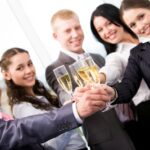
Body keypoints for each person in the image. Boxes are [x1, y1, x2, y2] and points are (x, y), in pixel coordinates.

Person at [46, 9, 135, 150]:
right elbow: (64, 93)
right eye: (67, 31)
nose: (75, 34)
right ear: (56, 36)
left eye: (77, 27)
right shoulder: (55, 68)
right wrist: (70, 99)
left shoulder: (98, 57)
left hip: (131, 126)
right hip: (106, 138)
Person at [0, 47, 108, 150]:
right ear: (6, 75)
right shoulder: (22, 107)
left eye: (30, 64)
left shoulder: (40, 96)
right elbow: (53, 146)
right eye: (20, 68)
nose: (28, 70)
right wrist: (70, 114)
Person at [90, 4, 150, 149]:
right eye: (100, 30)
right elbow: (112, 69)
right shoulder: (116, 55)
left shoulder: (144, 35)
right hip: (147, 109)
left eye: (108, 23)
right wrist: (99, 78)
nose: (107, 31)